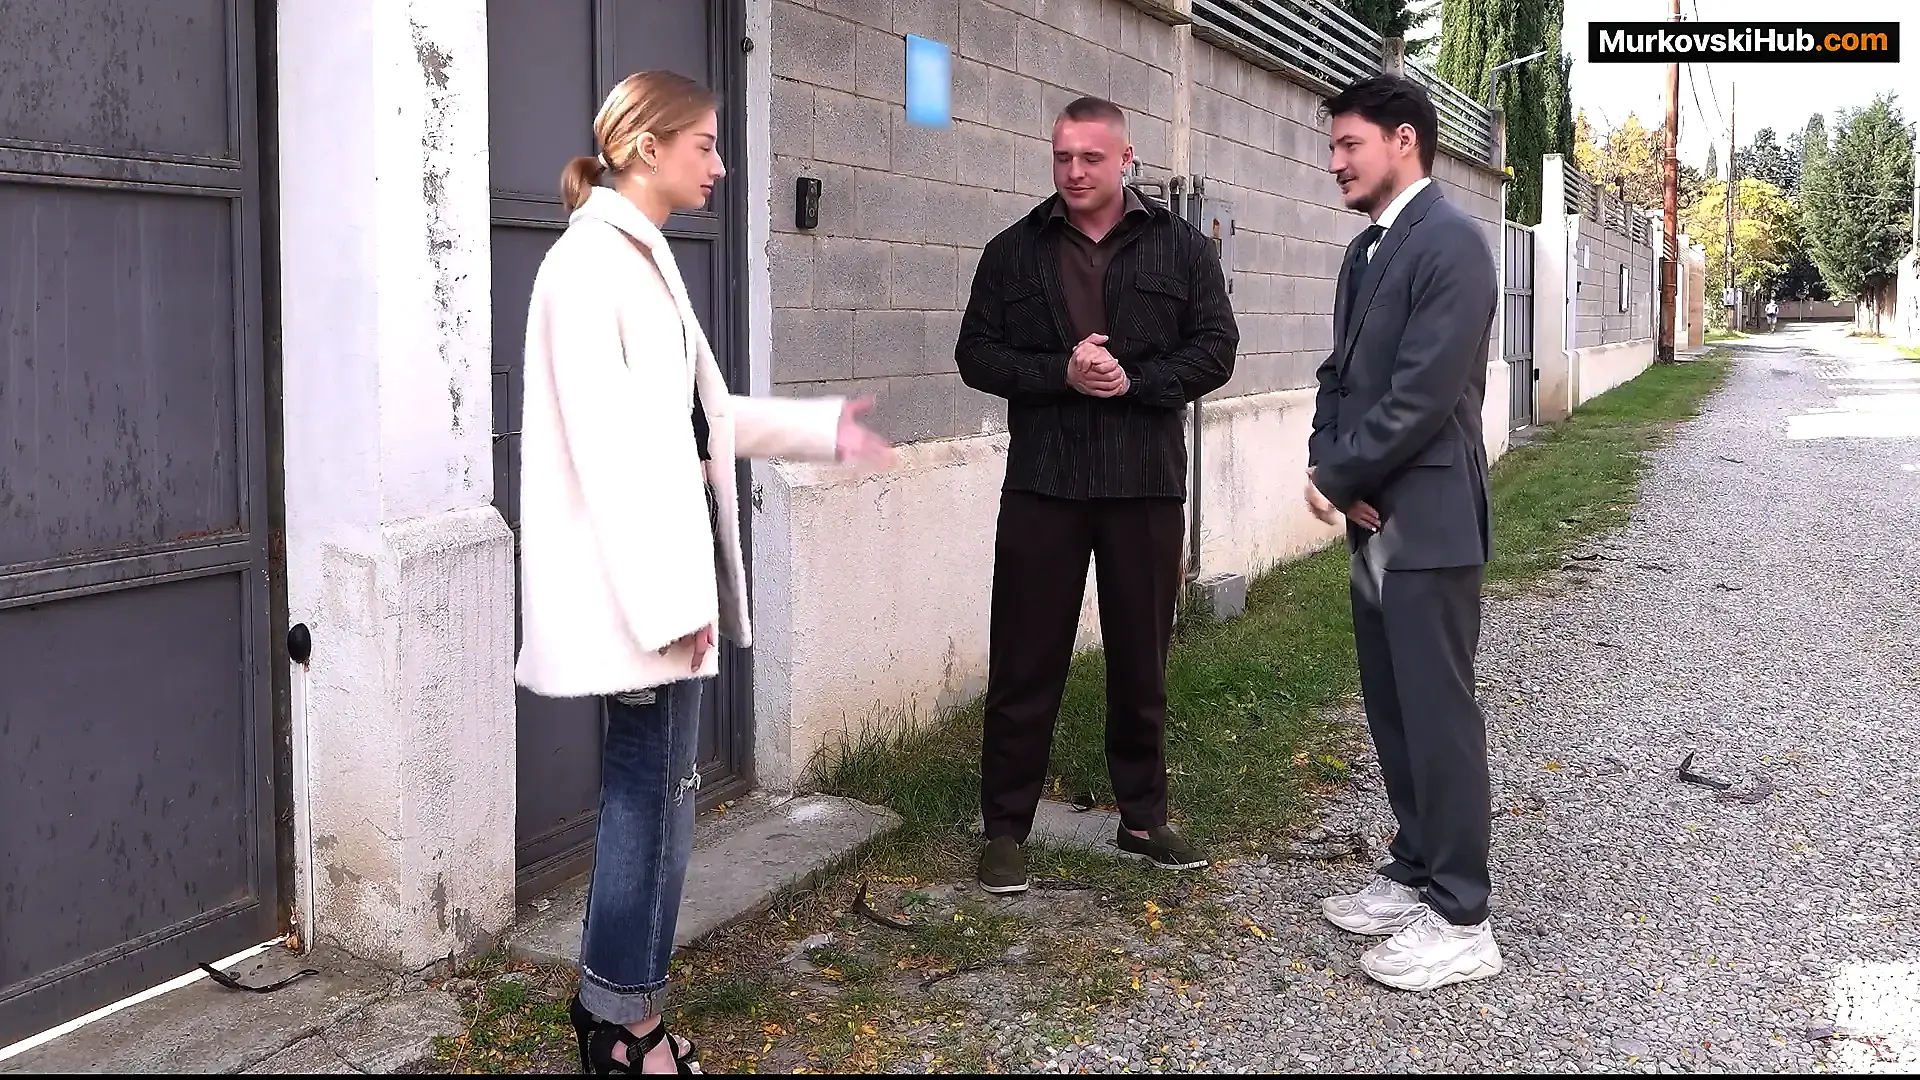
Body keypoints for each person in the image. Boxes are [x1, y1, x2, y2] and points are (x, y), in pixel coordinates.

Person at [515, 70, 895, 1074]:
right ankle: (622, 1028)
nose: (721, 166)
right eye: (706, 145)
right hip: (640, 596)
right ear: (648, 147)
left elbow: (696, 419)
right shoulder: (591, 266)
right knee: (648, 801)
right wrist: (666, 607)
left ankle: (616, 1009)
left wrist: (821, 431)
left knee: (660, 798)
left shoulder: (639, 257)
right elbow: (611, 456)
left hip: (658, 590)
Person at [957, 96, 1239, 896]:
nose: (1074, 171)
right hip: (1044, 483)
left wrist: (1135, 381)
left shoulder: (1182, 248)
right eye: (1062, 157)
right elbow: (976, 354)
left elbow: (1217, 349)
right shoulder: (1013, 251)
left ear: (1126, 158)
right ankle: (1005, 830)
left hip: (1144, 483)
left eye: (1090, 157)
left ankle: (1142, 817)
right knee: (1025, 659)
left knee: (1141, 658)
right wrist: (1061, 372)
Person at [1303, 74, 1502, 992]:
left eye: (1350, 144)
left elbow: (1424, 392)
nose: (1334, 162)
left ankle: (1463, 917)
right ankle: (1416, 867)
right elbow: (1339, 377)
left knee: (1437, 713)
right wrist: (1331, 462)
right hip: (1374, 518)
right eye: (1333, 146)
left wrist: (1342, 475)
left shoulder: (1451, 242)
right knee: (1391, 707)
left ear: (1405, 140)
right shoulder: (1366, 251)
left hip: (1429, 519)